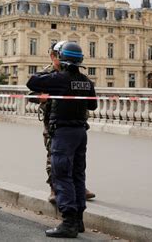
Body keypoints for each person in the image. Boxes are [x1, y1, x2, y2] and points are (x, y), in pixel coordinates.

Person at [27, 41, 98, 238]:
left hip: (63, 132)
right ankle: (79, 220)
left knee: (62, 175)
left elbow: (32, 82)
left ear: (61, 58)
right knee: (78, 175)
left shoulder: (59, 79)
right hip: (80, 133)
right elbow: (92, 106)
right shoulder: (86, 81)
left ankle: (68, 222)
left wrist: (55, 70)